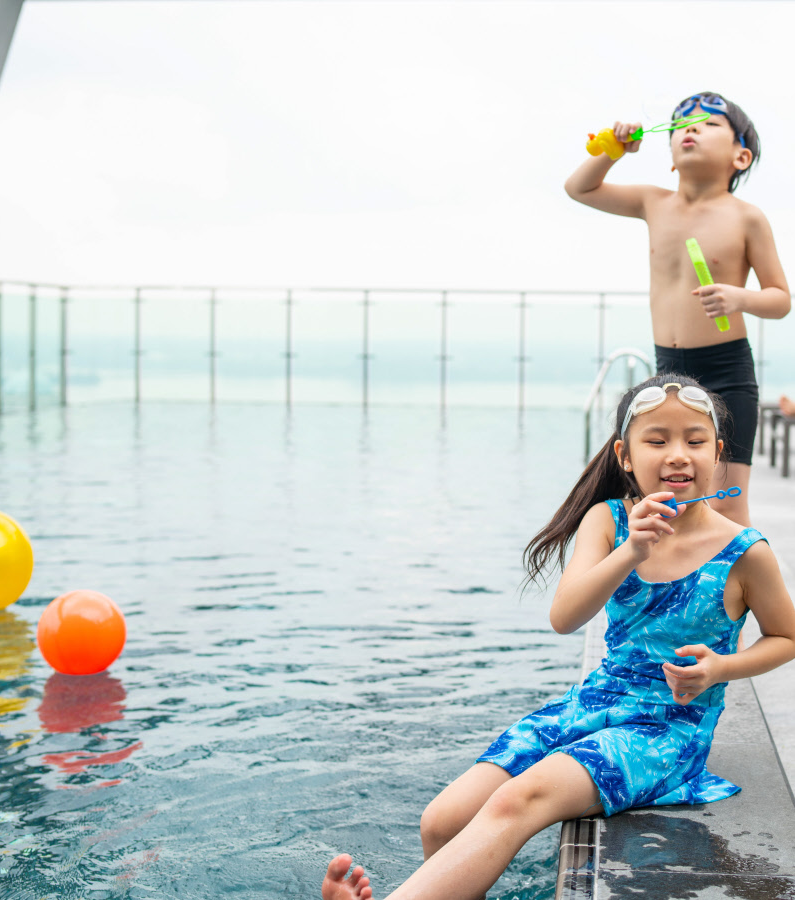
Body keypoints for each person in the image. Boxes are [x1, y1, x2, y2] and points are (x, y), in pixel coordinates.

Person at [321, 374, 795, 900]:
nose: (678, 454)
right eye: (657, 440)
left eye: (695, 440)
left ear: (718, 453)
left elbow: (786, 637)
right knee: (441, 821)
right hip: (593, 703)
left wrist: (721, 669)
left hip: (667, 731)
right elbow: (566, 616)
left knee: (518, 800)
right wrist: (631, 552)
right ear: (626, 455)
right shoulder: (608, 521)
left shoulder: (744, 552)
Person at [565, 92, 791, 527]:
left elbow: (780, 298)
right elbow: (580, 188)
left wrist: (740, 297)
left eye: (709, 124)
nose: (691, 128)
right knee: (664, 491)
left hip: (727, 369)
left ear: (740, 156)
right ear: (669, 156)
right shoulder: (654, 202)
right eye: (681, 124)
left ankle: (736, 591)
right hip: (669, 370)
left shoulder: (746, 217)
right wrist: (614, 149)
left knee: (725, 501)